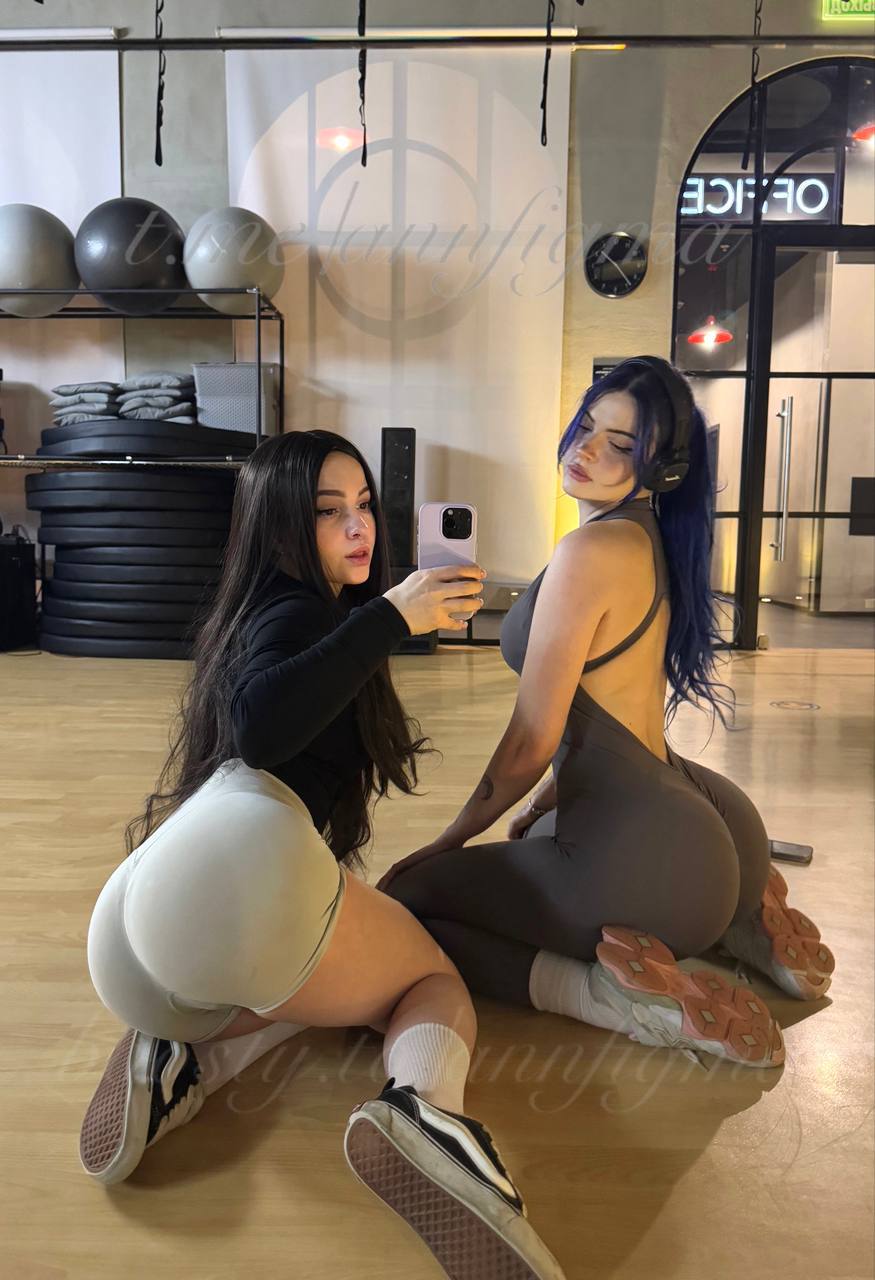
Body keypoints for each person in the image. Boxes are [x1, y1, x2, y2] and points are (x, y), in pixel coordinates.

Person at [79, 430, 565, 1280]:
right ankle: (426, 1115)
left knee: (308, 976)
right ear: (277, 529)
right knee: (428, 983)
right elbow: (262, 728)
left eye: (364, 506)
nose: (358, 527)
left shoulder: (258, 612)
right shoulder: (302, 613)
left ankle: (179, 1056)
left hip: (139, 925)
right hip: (245, 870)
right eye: (327, 512)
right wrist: (392, 616)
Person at [378, 357, 835, 1069]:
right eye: (586, 427)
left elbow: (532, 738)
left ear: (662, 471)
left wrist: (447, 841)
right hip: (714, 827)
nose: (586, 450)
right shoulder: (653, 538)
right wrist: (548, 798)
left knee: (407, 900)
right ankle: (743, 924)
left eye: (620, 444)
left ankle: (597, 993)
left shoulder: (589, 550)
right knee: (545, 831)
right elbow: (619, 702)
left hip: (653, 858)